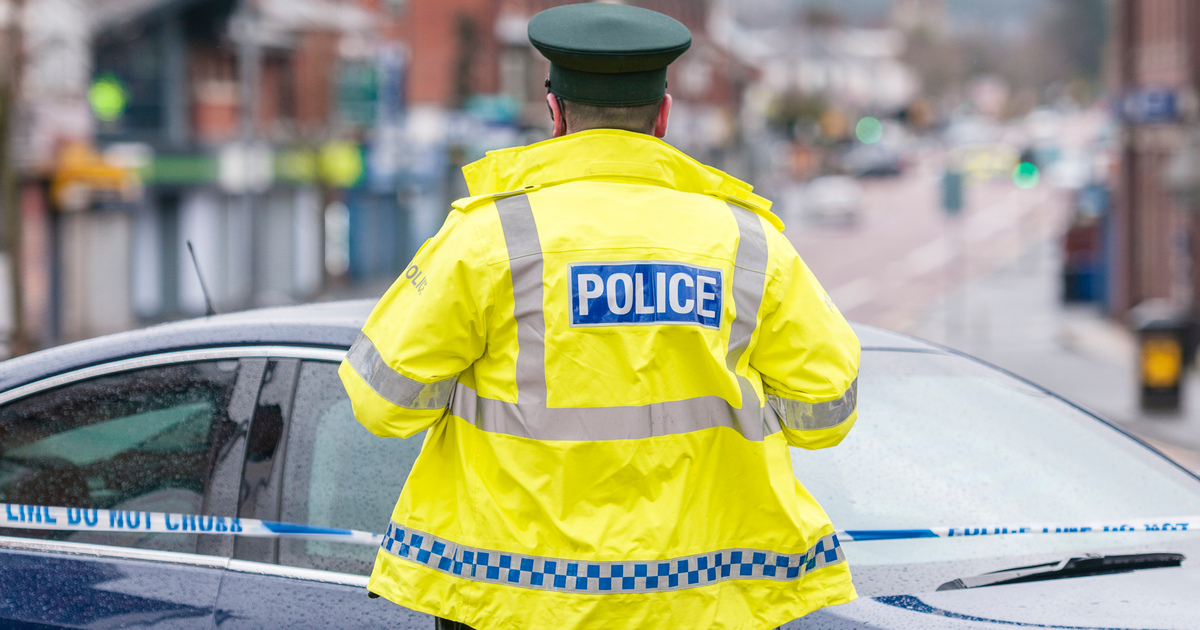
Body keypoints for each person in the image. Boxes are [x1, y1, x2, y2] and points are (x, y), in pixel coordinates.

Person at [340, 4, 860, 628]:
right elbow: (825, 413)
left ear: (555, 114)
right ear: (663, 116)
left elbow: (383, 406)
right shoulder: (748, 243)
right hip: (703, 604)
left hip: (512, 603)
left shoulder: (490, 238)